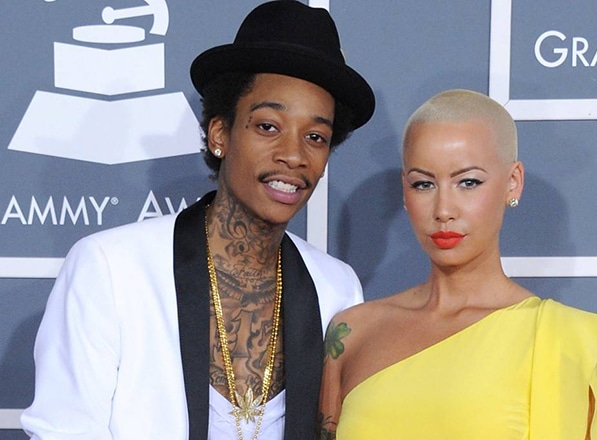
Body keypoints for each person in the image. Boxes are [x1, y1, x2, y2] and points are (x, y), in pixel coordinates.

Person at [21, 1, 375, 439]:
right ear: (220, 133)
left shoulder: (337, 288)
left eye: (315, 136)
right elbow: (63, 430)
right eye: (268, 126)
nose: (293, 154)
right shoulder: (111, 268)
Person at [317, 89, 597, 439]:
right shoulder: (352, 333)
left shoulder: (566, 341)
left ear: (513, 182)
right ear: (405, 190)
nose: (443, 209)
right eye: (423, 184)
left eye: (468, 182)